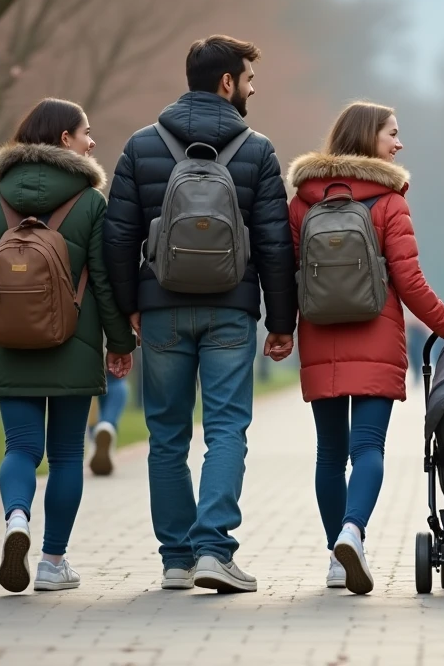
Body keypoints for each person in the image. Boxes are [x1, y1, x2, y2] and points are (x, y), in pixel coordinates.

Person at [103, 35, 297, 594]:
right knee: (227, 428)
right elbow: (273, 244)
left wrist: (127, 316)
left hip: (160, 310)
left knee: (166, 435)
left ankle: (176, 559)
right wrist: (281, 321)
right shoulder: (257, 151)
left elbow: (118, 239)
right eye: (249, 81)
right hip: (231, 311)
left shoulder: (141, 146)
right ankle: (215, 548)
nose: (253, 91)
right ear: (227, 83)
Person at [0, 98, 136, 593]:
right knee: (67, 457)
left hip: (10, 345)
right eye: (85, 133)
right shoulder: (91, 203)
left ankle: (16, 520)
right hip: (72, 346)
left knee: (20, 448)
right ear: (63, 140)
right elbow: (103, 278)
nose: (92, 142)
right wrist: (119, 342)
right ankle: (53, 563)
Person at [287, 102, 444, 595]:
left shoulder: (302, 201)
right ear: (368, 139)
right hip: (375, 334)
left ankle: (336, 560)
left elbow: (287, 270)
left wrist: (280, 328)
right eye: (392, 134)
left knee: (328, 454)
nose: (399, 144)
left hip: (318, 334)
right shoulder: (389, 202)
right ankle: (352, 532)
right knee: (368, 448)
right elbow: (409, 280)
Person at [88, 371, 127, 476]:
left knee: (89, 391)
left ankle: (94, 438)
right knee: (116, 380)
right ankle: (107, 424)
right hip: (111, 370)